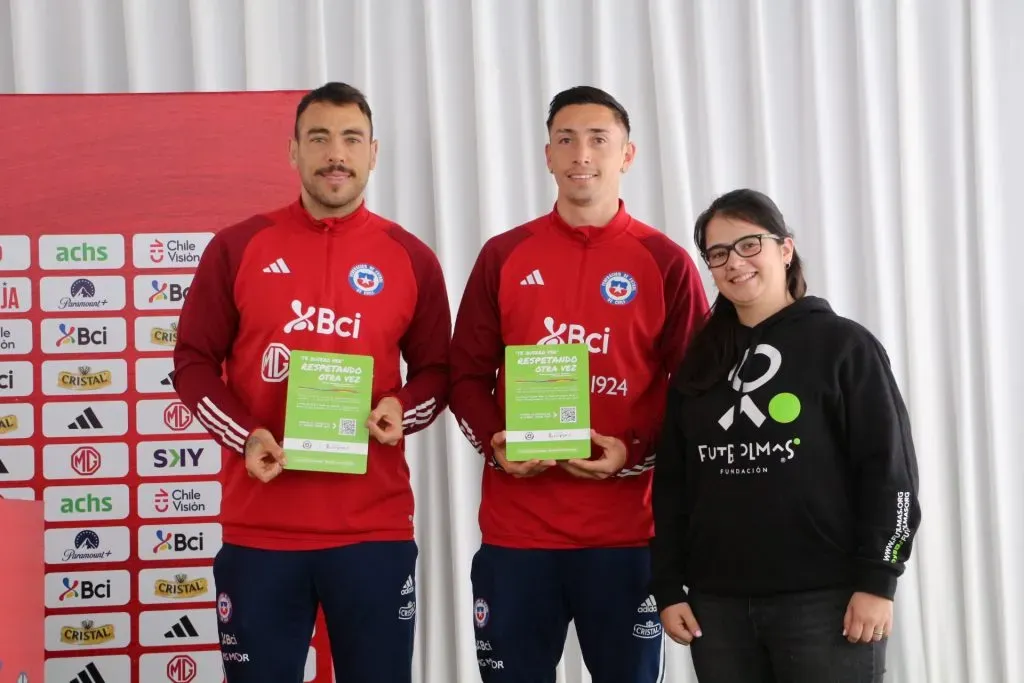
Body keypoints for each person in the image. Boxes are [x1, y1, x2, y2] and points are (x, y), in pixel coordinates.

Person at [172, 82, 451, 683]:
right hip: (261, 530)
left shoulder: (411, 257)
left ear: (373, 153)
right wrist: (246, 435)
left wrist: (402, 408)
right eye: (318, 138)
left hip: (373, 531)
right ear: (292, 151)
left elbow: (438, 374)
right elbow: (193, 361)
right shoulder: (238, 247)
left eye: (351, 139)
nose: (335, 154)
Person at [449, 85, 709, 683]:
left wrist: (637, 450)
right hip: (518, 536)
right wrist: (495, 439)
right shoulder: (504, 255)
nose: (581, 153)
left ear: (627, 154)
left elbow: (697, 390)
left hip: (626, 538)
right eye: (566, 139)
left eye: (599, 138)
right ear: (547, 155)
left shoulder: (664, 261)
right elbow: (464, 376)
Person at [650, 188, 922, 682]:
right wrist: (668, 587)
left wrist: (878, 581)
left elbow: (890, 472)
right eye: (718, 254)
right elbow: (672, 484)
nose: (735, 263)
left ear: (785, 248)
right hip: (718, 609)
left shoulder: (843, 346)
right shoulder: (699, 364)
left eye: (749, 244)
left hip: (827, 604)